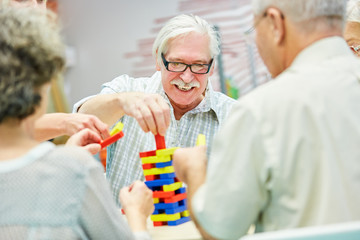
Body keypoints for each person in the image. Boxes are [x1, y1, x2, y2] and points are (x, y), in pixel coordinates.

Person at [172, 0, 360, 239]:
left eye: (255, 31)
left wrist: (194, 169)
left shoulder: (260, 111)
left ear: (275, 23)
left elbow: (218, 231)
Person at [0, 7, 153, 239]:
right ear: (42, 87)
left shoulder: (70, 166)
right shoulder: (76, 170)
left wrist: (67, 154)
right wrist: (137, 216)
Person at [74, 14, 236, 205]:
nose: (186, 77)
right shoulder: (127, 90)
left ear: (211, 67)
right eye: (176, 63)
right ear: (159, 60)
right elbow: (80, 122)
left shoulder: (232, 115)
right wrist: (120, 102)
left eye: (199, 65)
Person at [1, 0, 111, 143]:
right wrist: (65, 122)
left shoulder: (36, 56)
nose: (35, 7)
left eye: (41, 1)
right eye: (22, 0)